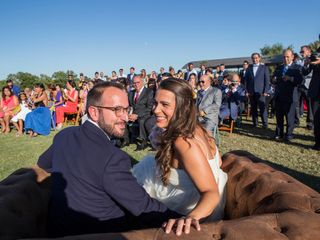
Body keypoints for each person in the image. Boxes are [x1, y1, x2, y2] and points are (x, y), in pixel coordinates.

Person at [36, 82, 186, 237]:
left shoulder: (64, 135)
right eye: (117, 110)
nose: (126, 117)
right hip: (101, 233)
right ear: (94, 112)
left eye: (126, 109)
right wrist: (181, 218)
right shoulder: (113, 157)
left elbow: (43, 164)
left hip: (58, 231)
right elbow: (144, 208)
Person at [133, 78, 227, 230]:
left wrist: (190, 218)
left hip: (187, 206)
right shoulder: (200, 129)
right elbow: (219, 163)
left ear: (182, 107)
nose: (155, 110)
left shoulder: (182, 142)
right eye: (156, 103)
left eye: (165, 104)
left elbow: (211, 193)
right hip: (205, 197)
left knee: (138, 176)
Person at [272, 49, 303, 142]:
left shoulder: (297, 68)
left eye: (287, 57)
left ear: (292, 57)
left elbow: (301, 81)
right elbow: (273, 79)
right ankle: (279, 134)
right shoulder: (279, 68)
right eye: (284, 57)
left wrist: (290, 78)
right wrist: (273, 79)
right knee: (279, 118)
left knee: (290, 118)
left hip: (290, 97)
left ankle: (289, 135)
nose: (285, 59)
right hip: (279, 96)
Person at [245, 52, 270, 128]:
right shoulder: (249, 68)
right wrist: (247, 91)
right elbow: (246, 81)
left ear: (259, 58)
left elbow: (267, 80)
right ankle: (255, 123)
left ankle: (264, 123)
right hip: (251, 92)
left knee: (262, 108)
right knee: (253, 108)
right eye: (253, 58)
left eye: (256, 58)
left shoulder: (264, 68)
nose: (255, 59)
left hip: (261, 92)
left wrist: (265, 91)